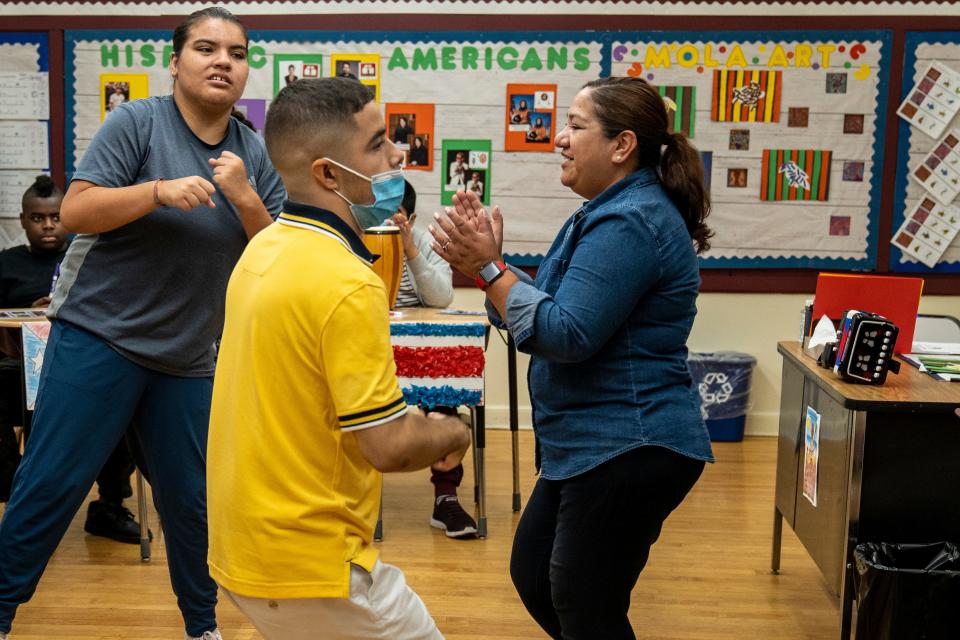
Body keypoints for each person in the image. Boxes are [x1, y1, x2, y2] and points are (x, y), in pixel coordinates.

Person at [0, 8, 285, 640]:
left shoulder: (251, 153)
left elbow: (274, 253)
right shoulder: (137, 122)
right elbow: (74, 211)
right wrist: (156, 191)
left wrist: (244, 197)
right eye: (207, 49)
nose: (223, 62)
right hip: (100, 336)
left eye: (237, 54)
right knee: (50, 486)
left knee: (194, 504)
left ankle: (202, 627)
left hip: (187, 356)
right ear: (176, 60)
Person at [429, 76, 715, 639]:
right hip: (590, 444)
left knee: (585, 605)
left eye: (577, 126)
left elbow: (567, 332)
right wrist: (497, 273)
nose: (560, 138)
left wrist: (491, 271)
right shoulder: (609, 211)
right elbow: (550, 310)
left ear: (622, 145)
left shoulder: (629, 220)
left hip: (630, 443)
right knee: (537, 576)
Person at [206, 77, 471, 639]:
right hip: (313, 564)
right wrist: (453, 431)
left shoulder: (264, 248)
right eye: (377, 144)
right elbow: (389, 446)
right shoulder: (347, 280)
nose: (398, 153)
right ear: (328, 173)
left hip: (244, 551)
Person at [0, 175, 148, 545]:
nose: (49, 226)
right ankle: (15, 489)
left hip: (81, 367)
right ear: (22, 220)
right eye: (38, 218)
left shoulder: (91, 257)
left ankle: (109, 507)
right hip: (18, 369)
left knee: (123, 391)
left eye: (56, 217)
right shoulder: (7, 264)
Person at [389, 180, 477, 539]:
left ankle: (446, 498)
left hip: (418, 348)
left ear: (410, 217)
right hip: (369, 344)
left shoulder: (424, 242)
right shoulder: (355, 240)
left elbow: (440, 298)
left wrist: (410, 248)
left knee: (444, 389)